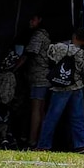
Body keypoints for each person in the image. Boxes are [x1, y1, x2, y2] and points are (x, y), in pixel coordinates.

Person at [35, 27, 84, 152]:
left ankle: (44, 145)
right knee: (78, 117)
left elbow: (48, 55)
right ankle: (83, 144)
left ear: (74, 36)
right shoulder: (83, 54)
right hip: (76, 87)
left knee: (52, 116)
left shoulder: (59, 47)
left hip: (59, 87)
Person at [23, 14, 54, 149]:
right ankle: (39, 140)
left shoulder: (38, 36)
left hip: (38, 76)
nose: (30, 21)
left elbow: (30, 53)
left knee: (37, 109)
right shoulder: (47, 36)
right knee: (41, 109)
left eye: (33, 19)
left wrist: (13, 68)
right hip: (44, 76)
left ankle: (32, 140)